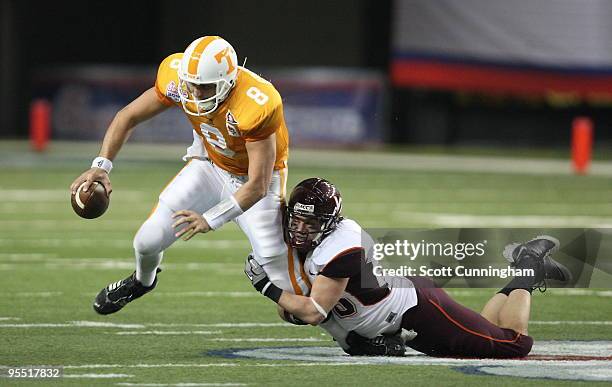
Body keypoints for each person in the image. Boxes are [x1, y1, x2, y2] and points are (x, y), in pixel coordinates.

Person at [69, 36, 293, 315]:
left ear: (228, 81)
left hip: (257, 181)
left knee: (288, 295)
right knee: (146, 241)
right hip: (210, 167)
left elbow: (257, 185)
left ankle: (346, 303)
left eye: (205, 87)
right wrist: (101, 165)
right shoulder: (177, 77)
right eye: (193, 85)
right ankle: (141, 282)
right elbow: (128, 116)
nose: (197, 94)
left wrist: (210, 219)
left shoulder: (256, 102)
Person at [245, 178, 572, 357]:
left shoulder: (340, 245)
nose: (301, 230)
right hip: (398, 323)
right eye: (297, 220)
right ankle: (524, 269)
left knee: (515, 344)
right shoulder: (304, 246)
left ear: (330, 223)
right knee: (485, 332)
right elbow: (296, 308)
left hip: (418, 311)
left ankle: (529, 265)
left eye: (312, 222)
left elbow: (314, 311)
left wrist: (267, 288)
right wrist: (289, 305)